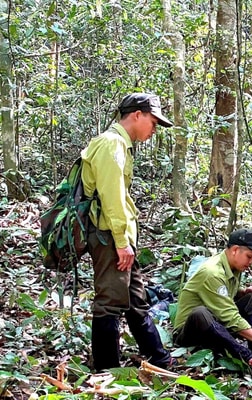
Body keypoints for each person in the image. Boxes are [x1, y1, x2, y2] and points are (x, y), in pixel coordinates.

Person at [81, 93, 175, 371]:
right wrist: (122, 242)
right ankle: (106, 370)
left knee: (135, 300)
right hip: (109, 235)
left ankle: (159, 357)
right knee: (109, 303)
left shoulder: (119, 145)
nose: (154, 129)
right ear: (137, 115)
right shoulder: (112, 144)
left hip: (118, 236)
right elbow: (112, 197)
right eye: (153, 122)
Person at [173, 228, 252, 378]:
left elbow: (224, 295)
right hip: (190, 332)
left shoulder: (234, 266)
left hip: (217, 324)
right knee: (200, 313)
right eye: (249, 256)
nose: (251, 262)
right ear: (235, 250)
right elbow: (229, 316)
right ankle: (250, 359)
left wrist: (242, 292)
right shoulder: (212, 272)